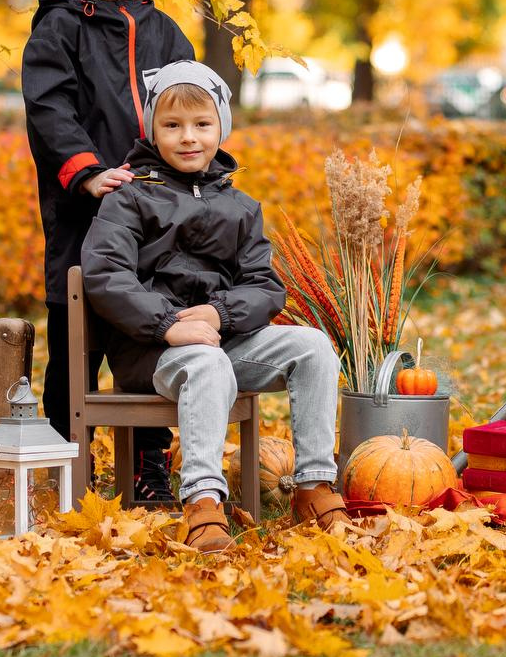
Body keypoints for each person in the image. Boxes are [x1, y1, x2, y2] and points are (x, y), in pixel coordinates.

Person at [81, 62, 347, 551]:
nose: (188, 138)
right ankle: (203, 501)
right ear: (152, 131)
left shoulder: (240, 205)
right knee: (205, 362)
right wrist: (166, 325)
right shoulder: (129, 198)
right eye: (173, 126)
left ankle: (313, 485)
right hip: (154, 351)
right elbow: (105, 275)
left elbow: (264, 286)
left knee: (313, 347)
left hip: (224, 340)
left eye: (202, 125)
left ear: (220, 127)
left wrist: (219, 315)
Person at [22, 0, 195, 501]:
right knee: (76, 339)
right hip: (83, 210)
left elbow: (188, 111)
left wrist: (180, 179)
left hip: (154, 213)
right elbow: (50, 109)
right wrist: (88, 171)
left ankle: (149, 468)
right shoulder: (59, 27)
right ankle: (64, 467)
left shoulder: (167, 33)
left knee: (148, 333)